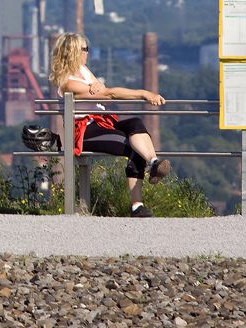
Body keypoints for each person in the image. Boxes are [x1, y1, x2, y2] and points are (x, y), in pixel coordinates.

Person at [50, 32, 171, 218]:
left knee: (135, 124)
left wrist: (99, 88)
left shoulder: (83, 71)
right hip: (86, 131)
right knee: (132, 147)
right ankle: (137, 206)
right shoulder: (67, 83)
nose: (87, 53)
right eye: (85, 49)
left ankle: (153, 162)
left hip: (101, 121)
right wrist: (144, 94)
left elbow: (102, 90)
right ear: (74, 52)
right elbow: (109, 95)